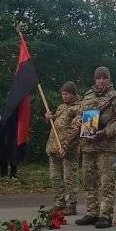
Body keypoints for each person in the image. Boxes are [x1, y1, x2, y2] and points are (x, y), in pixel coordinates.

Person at [74, 67, 116, 229]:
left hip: (106, 146)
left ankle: (105, 215)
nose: (101, 81)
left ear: (109, 79)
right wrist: (78, 121)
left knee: (107, 182)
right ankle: (92, 212)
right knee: (88, 180)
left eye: (104, 78)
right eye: (98, 78)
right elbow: (78, 114)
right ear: (94, 79)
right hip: (88, 145)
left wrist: (105, 132)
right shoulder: (88, 95)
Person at [45, 81, 81, 216]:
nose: (64, 96)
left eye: (67, 94)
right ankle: (59, 203)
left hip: (69, 148)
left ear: (73, 94)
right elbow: (59, 123)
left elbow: (76, 128)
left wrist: (67, 145)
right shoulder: (61, 107)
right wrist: (50, 117)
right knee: (55, 177)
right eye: (63, 94)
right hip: (54, 146)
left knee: (69, 178)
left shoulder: (79, 108)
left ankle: (71, 204)